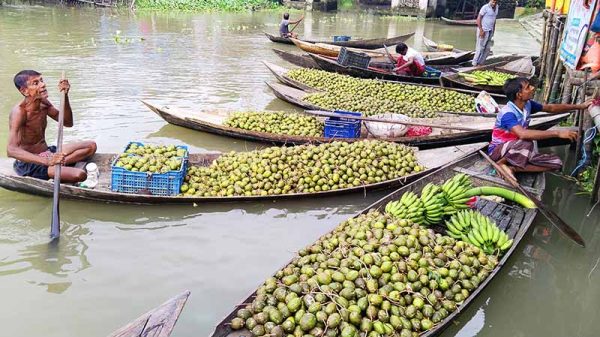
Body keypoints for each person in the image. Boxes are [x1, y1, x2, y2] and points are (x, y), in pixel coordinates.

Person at [489, 77, 592, 180]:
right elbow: (523, 134)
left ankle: (513, 168)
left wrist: (580, 106)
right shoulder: (508, 113)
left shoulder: (527, 105)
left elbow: (551, 108)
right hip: (498, 151)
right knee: (527, 142)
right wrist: (557, 133)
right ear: (519, 95)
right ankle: (501, 163)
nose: (532, 88)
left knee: (556, 163)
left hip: (520, 150)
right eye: (528, 87)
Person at [7, 70, 97, 183]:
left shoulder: (43, 103)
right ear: (24, 91)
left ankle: (59, 163)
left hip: (47, 152)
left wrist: (65, 95)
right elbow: (11, 150)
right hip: (31, 163)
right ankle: (54, 167)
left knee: (91, 146)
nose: (43, 84)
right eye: (36, 83)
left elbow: (67, 122)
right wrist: (47, 161)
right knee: (80, 175)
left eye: (41, 80)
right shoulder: (19, 112)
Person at [472, 0, 498, 66]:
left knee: (487, 49)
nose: (494, 3)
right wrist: (481, 30)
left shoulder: (497, 7)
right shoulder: (485, 7)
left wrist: (493, 31)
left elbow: (494, 19)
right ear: (489, 1)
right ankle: (474, 64)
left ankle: (480, 63)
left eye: (495, 2)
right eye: (492, 2)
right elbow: (478, 19)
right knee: (480, 48)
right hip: (484, 30)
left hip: (490, 31)